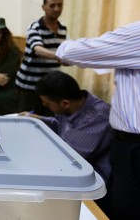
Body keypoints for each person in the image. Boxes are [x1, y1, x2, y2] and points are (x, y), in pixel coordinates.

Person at [55, 21, 140, 220]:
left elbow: (72, 53)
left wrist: (62, 49)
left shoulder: (136, 34)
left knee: (126, 208)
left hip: (133, 146)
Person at [31, 71, 112, 215]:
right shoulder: (73, 106)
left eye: (47, 104)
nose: (44, 105)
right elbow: (62, 128)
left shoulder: (97, 117)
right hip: (72, 172)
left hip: (94, 184)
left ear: (65, 103)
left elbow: (69, 156)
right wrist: (38, 119)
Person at [16, 0, 67, 116]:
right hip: (29, 86)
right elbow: (37, 49)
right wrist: (58, 57)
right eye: (52, 5)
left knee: (48, 120)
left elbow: (63, 52)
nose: (57, 9)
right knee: (27, 119)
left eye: (60, 5)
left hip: (50, 86)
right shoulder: (35, 27)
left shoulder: (63, 29)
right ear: (43, 7)